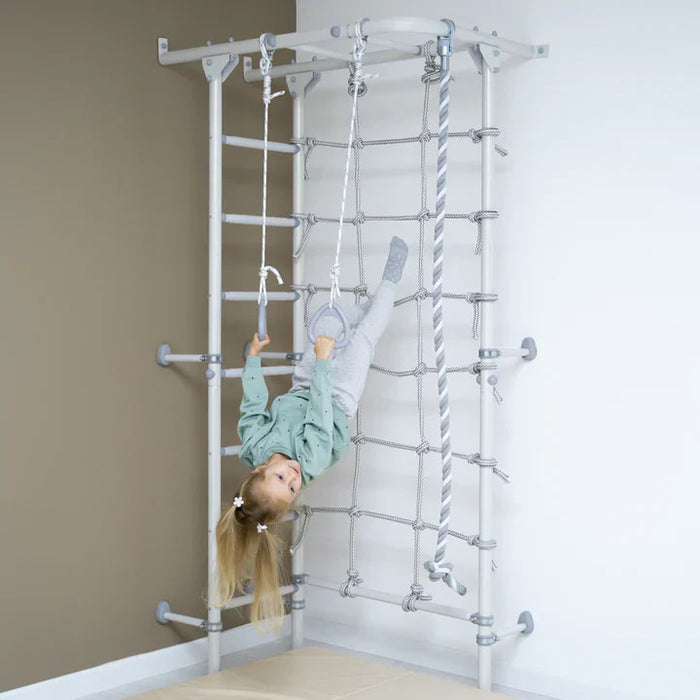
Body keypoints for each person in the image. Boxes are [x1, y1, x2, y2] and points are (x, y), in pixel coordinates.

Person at [215, 236, 409, 627]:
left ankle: (368, 306)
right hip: (336, 399)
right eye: (291, 489)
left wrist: (252, 360)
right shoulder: (312, 460)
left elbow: (252, 405)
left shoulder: (254, 446)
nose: (293, 478)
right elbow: (320, 416)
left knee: (327, 326)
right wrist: (324, 364)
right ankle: (391, 281)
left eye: (280, 478)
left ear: (259, 469)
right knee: (365, 337)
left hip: (304, 384)